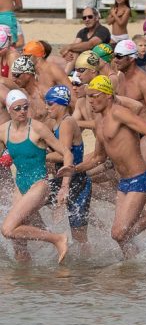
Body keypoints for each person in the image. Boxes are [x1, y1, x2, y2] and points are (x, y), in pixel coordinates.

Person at [75, 76, 146, 258]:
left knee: (118, 234)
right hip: (123, 183)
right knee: (122, 239)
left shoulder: (119, 113)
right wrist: (74, 169)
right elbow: (98, 158)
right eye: (88, 97)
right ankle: (131, 270)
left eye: (94, 96)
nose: (91, 101)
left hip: (140, 179)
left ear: (108, 96)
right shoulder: (100, 123)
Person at [0, 89, 73, 263]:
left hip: (40, 185)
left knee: (8, 229)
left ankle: (58, 239)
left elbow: (66, 153)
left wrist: (65, 184)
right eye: (17, 108)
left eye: (25, 107)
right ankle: (27, 281)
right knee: (18, 244)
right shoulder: (3, 130)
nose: (22, 112)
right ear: (9, 110)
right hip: (21, 186)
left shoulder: (37, 128)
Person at [44, 85, 92, 250]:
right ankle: (46, 237)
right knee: (31, 204)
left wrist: (40, 155)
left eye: (50, 103)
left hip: (78, 183)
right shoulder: (54, 122)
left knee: (80, 238)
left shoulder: (67, 122)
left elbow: (63, 155)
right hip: (62, 180)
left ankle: (87, 270)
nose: (46, 107)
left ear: (61, 104)